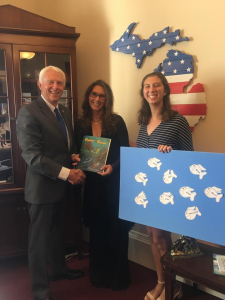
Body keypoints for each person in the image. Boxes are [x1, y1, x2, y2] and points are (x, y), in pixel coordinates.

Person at [16, 66, 86, 300]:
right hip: (41, 190)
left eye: (59, 83)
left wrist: (73, 157)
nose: (55, 87)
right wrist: (67, 173)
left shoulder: (64, 111)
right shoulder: (28, 113)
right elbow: (33, 157)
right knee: (39, 242)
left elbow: (62, 148)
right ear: (40, 84)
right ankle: (40, 289)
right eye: (50, 83)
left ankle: (58, 270)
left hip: (60, 188)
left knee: (58, 234)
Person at [136, 72, 194, 300]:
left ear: (165, 90)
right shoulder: (143, 122)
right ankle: (161, 283)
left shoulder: (177, 121)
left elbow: (189, 157)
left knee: (162, 237)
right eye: (147, 86)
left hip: (167, 190)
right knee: (151, 236)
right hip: (148, 189)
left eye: (156, 85)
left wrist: (171, 153)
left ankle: (173, 287)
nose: (151, 89)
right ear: (143, 92)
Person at [74, 79, 133, 291]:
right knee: (98, 229)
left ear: (107, 99)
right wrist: (75, 158)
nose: (97, 99)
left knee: (116, 228)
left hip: (113, 182)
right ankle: (98, 275)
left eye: (101, 96)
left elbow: (125, 152)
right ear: (88, 96)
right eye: (94, 94)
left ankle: (118, 276)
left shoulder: (117, 121)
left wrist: (113, 167)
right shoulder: (80, 124)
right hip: (92, 184)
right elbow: (76, 151)